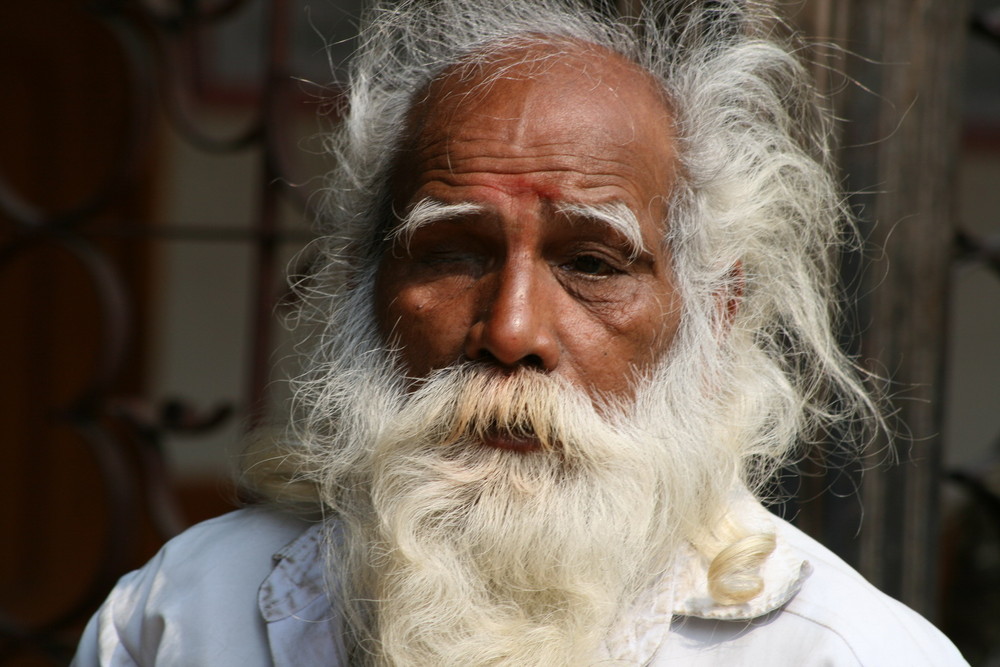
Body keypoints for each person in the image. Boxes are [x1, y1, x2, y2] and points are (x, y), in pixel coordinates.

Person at [72, 0, 967, 665]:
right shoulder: (182, 615)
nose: (510, 330)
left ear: (715, 311)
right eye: (453, 253)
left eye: (593, 264)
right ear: (366, 287)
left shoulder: (849, 652)